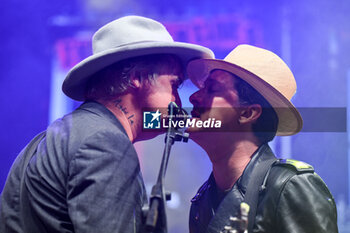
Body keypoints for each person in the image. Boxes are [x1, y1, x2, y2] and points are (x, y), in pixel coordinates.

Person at [0, 15, 214, 233]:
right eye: (174, 85)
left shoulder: (60, 135)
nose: (178, 101)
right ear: (138, 77)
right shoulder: (106, 143)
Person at [186, 44, 338, 232]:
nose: (193, 97)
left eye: (212, 89)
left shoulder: (289, 187)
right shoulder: (202, 201)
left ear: (248, 113)